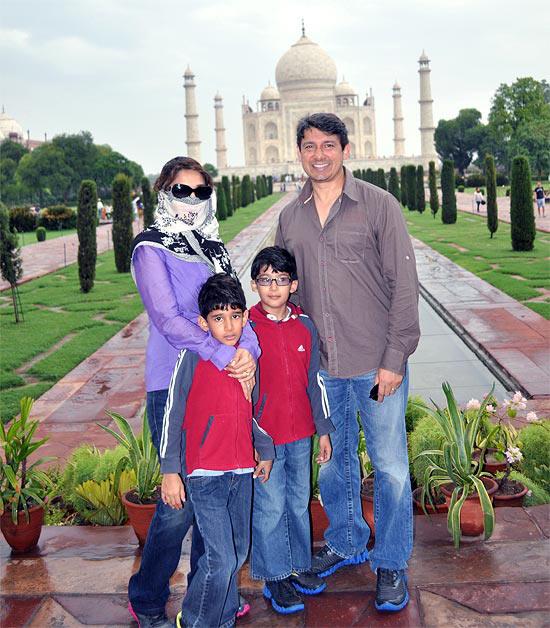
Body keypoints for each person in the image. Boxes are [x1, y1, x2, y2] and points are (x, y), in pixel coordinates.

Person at [275, 113, 420, 613]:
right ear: (299, 152)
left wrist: (395, 357)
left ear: (345, 149)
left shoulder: (378, 206)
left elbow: (404, 286)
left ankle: (391, 562)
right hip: (321, 370)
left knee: (390, 467)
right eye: (310, 145)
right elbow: (283, 292)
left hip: (375, 362)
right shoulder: (290, 217)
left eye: (329, 145)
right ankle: (346, 542)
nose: (319, 154)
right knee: (334, 465)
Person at [128, 156, 259, 627]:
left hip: (225, 388)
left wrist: (249, 352)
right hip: (176, 384)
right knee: (178, 503)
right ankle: (146, 595)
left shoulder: (213, 246)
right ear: (164, 192)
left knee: (217, 496)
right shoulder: (151, 248)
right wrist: (226, 355)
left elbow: (236, 307)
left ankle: (213, 593)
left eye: (200, 192)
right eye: (181, 191)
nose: (191, 200)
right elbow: (167, 320)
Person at [159, 273, 275, 628]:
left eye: (236, 316)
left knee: (237, 551)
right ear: (203, 322)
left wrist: (264, 449)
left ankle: (217, 614)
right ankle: (197, 622)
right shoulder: (192, 358)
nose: (229, 326)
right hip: (205, 475)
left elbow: (250, 414)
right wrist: (170, 470)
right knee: (222, 558)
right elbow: (172, 416)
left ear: (245, 317)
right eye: (218, 318)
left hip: (241, 472)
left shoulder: (244, 363)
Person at [248, 246, 334, 615]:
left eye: (281, 280)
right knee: (269, 508)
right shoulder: (248, 329)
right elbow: (242, 392)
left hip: (301, 434)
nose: (273, 287)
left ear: (293, 284)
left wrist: (324, 430)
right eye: (266, 280)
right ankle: (274, 574)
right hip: (265, 438)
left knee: (298, 503)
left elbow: (315, 381)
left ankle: (299, 564)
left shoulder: (305, 326)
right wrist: (252, 438)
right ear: (255, 285)